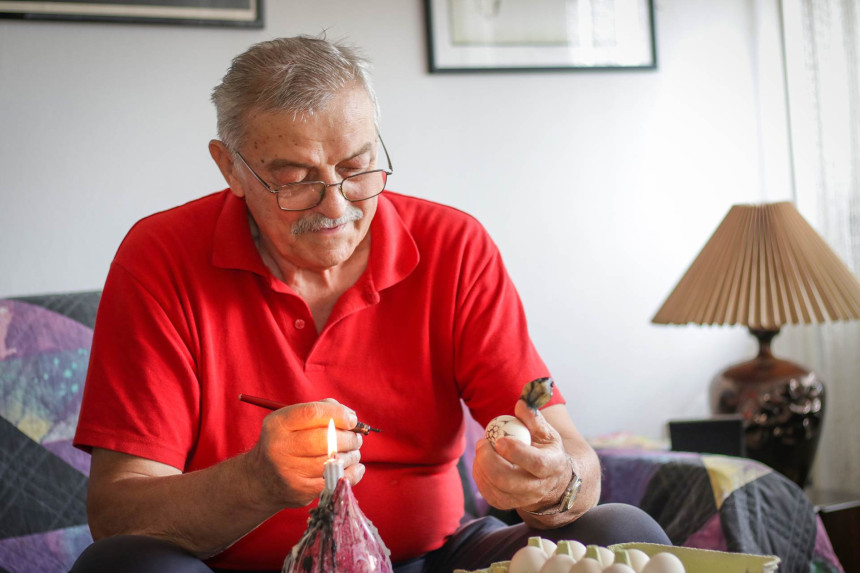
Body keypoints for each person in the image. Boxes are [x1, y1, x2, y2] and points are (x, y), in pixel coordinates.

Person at [71, 36, 669, 573]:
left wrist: (554, 480)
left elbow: (570, 453)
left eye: (357, 169)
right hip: (229, 568)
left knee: (619, 533)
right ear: (231, 167)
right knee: (123, 566)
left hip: (435, 560)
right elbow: (118, 515)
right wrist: (257, 481)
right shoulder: (161, 255)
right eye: (296, 178)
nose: (336, 205)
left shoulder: (453, 245)